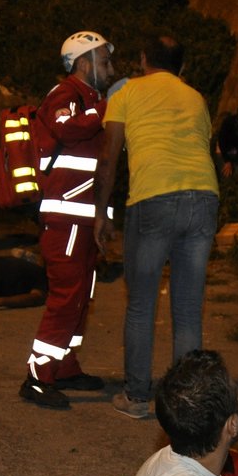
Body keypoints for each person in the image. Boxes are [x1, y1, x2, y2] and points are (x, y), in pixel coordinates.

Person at [93, 35, 219, 420]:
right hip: (203, 197)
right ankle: (185, 403)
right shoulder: (195, 97)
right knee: (186, 307)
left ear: (144, 58)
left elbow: (109, 157)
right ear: (182, 67)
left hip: (154, 198)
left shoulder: (126, 93)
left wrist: (101, 213)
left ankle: (136, 397)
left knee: (141, 305)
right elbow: (206, 150)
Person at [21, 30, 115, 410]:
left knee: (81, 297)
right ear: (83, 63)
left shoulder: (90, 99)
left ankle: (65, 366)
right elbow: (64, 128)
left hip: (83, 219)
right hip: (66, 218)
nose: (111, 69)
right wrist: (106, 109)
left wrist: (104, 217)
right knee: (65, 298)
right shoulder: (66, 95)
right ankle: (37, 376)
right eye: (105, 61)